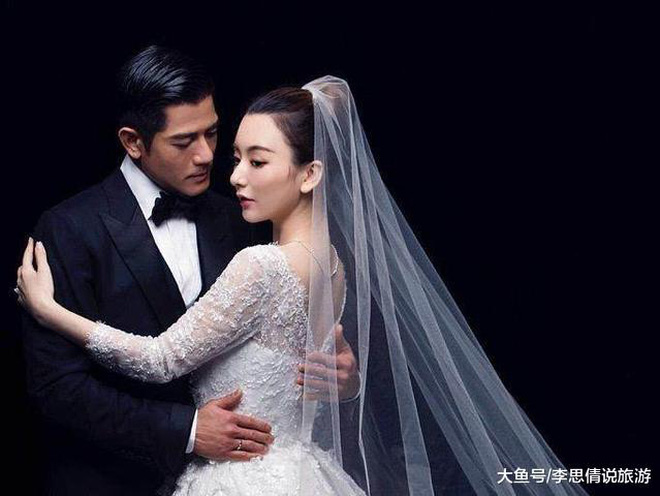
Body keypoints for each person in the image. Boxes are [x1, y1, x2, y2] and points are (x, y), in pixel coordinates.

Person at [17, 76, 590, 496]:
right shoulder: (333, 263)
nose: (228, 171)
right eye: (235, 156)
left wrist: (50, 310)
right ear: (133, 140)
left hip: (246, 478)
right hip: (284, 471)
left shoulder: (257, 256)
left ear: (310, 172)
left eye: (254, 159)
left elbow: (163, 358)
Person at [18, 46, 359, 496]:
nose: (207, 157)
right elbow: (57, 387)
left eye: (212, 134)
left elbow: (275, 339)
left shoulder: (244, 219)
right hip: (116, 481)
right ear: (133, 142)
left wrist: (339, 378)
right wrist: (188, 430)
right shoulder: (69, 229)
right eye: (184, 142)